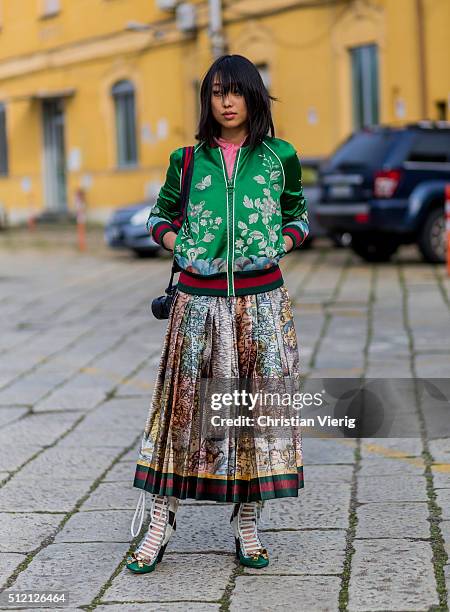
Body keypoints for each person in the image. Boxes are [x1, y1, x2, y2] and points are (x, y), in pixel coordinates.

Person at [125, 54, 309, 574]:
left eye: (236, 91)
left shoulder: (281, 156)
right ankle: (160, 521)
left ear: (254, 96)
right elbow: (159, 215)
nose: (226, 101)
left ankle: (247, 522)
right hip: (198, 303)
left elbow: (299, 215)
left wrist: (276, 245)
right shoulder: (187, 159)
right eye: (216, 92)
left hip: (263, 303)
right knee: (183, 412)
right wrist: (179, 245)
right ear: (207, 99)